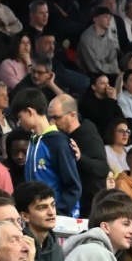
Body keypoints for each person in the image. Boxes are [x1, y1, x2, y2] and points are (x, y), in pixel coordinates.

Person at [13, 87, 81, 217]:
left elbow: (73, 186)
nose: (19, 122)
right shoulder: (33, 141)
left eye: (19, 117)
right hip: (38, 215)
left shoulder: (58, 142)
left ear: (30, 111)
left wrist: (58, 211)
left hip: (59, 218)